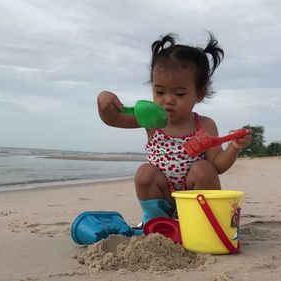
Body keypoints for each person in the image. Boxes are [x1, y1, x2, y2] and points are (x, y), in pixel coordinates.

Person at [97, 32, 252, 225]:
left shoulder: (204, 124)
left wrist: (234, 147)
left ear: (199, 93)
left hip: (196, 196)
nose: (168, 100)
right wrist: (103, 101)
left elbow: (218, 166)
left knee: (204, 169)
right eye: (160, 92)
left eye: (179, 93)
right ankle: (156, 221)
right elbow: (114, 119)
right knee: (145, 173)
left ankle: (204, 221)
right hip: (163, 194)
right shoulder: (150, 120)